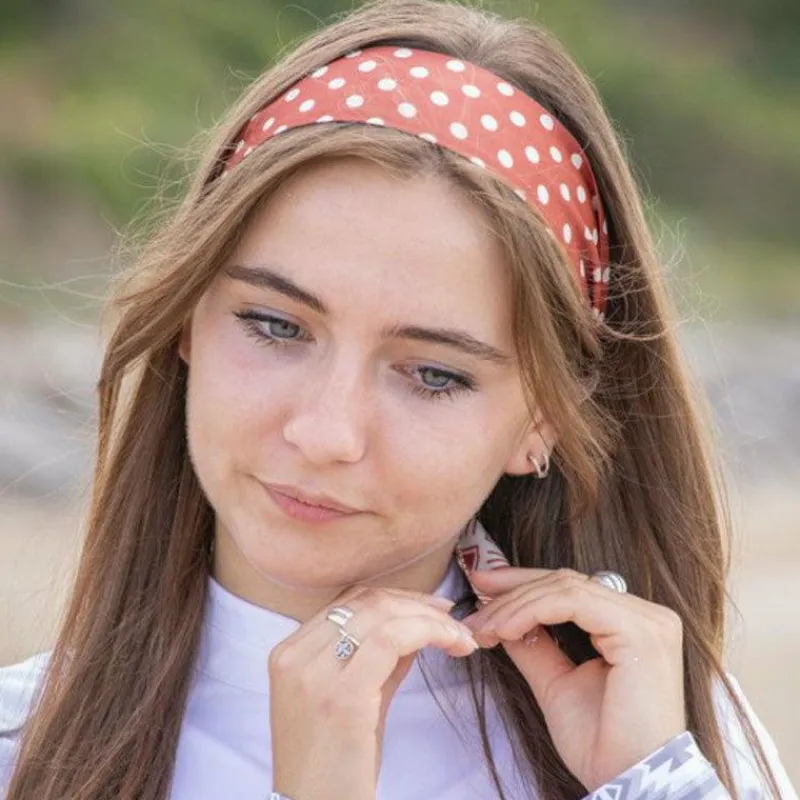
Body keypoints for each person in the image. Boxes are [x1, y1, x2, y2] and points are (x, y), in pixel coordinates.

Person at [0, 0, 796, 798]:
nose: (325, 432)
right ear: (188, 322)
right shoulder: (20, 751)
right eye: (276, 325)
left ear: (543, 418)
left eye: (434, 374)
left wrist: (652, 783)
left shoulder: (663, 743)